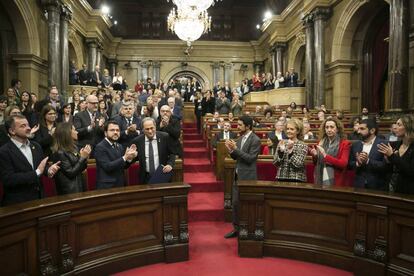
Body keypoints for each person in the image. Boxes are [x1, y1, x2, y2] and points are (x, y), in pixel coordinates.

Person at [0, 115, 60, 206]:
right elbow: (9, 179)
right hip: (18, 204)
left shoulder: (36, 146)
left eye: (28, 125)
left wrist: (48, 170)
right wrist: (37, 172)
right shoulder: (4, 151)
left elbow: (41, 166)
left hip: (39, 199)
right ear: (12, 131)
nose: (28, 128)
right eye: (22, 126)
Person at [224, 115, 261, 238]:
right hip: (237, 175)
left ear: (248, 126)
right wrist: (230, 150)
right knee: (235, 204)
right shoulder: (240, 139)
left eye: (240, 125)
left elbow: (250, 159)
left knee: (246, 205)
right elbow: (237, 157)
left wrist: (236, 149)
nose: (237, 127)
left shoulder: (255, 139)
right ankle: (236, 228)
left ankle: (247, 229)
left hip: (248, 177)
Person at [131, 117, 176, 184]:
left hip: (162, 174)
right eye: (147, 129)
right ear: (142, 130)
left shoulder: (164, 137)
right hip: (145, 178)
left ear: (155, 127)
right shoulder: (137, 141)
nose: (150, 131)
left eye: (152, 128)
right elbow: (132, 160)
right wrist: (130, 157)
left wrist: (170, 164)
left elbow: (172, 153)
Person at [95, 121, 137, 189]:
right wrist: (125, 157)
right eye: (112, 130)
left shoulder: (119, 146)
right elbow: (107, 167)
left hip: (120, 184)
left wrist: (129, 159)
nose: (115, 132)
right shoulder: (100, 147)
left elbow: (123, 166)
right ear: (105, 133)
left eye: (117, 130)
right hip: (107, 187)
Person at [378, 115, 414, 194]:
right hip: (391, 188)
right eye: (395, 124)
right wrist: (388, 161)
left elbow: (411, 171)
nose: (395, 127)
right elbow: (389, 170)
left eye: (399, 124)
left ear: (408, 127)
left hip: (408, 191)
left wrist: (392, 156)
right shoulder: (395, 145)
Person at [50, 122, 91, 195]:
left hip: (80, 186)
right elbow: (70, 173)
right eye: (74, 130)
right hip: (69, 191)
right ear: (67, 133)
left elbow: (82, 168)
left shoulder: (74, 147)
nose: (77, 132)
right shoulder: (59, 152)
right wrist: (82, 158)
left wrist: (85, 157)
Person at [310, 117, 351, 187]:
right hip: (320, 178)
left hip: (336, 180)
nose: (329, 130)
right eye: (327, 127)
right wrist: (315, 155)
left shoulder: (345, 143)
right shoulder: (321, 142)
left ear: (337, 129)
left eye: (332, 127)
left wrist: (326, 156)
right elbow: (315, 163)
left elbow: (343, 164)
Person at [348, 119, 387, 190]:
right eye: (358, 129)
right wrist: (357, 163)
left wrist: (368, 161)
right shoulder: (355, 145)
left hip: (377, 187)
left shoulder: (383, 144)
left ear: (372, 130)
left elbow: (385, 167)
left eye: (362, 129)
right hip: (358, 186)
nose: (358, 131)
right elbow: (349, 164)